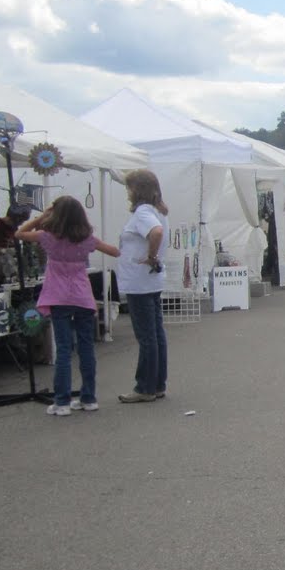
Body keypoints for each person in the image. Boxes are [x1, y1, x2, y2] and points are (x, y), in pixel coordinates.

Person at [17, 195, 119, 416]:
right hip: (82, 297)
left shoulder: (47, 238)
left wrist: (41, 216)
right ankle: (88, 398)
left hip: (58, 297)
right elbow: (114, 251)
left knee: (63, 349)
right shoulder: (87, 240)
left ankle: (61, 401)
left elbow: (20, 233)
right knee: (86, 348)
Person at [116, 169, 168, 404]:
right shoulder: (157, 211)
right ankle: (156, 384)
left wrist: (151, 255)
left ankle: (145, 386)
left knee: (147, 336)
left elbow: (155, 232)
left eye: (129, 188)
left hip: (140, 282)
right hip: (149, 280)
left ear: (137, 190)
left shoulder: (143, 213)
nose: (127, 193)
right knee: (156, 334)